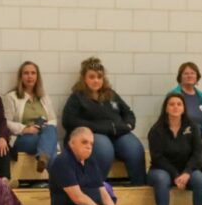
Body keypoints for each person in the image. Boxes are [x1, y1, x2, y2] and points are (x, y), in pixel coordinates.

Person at [61, 57, 146, 185]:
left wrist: (128, 125)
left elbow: (128, 113)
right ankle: (95, 187)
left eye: (99, 77)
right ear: (84, 78)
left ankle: (139, 186)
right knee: (105, 149)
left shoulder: (110, 94)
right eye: (92, 77)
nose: (96, 80)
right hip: (95, 135)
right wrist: (99, 127)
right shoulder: (77, 97)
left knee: (135, 148)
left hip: (118, 133)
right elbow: (68, 121)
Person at [147, 93, 202, 205]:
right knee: (162, 178)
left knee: (200, 179)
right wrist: (175, 175)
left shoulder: (193, 127)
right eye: (172, 104)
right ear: (166, 108)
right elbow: (157, 158)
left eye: (179, 104)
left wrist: (187, 172)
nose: (175, 107)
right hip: (161, 169)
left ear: (184, 108)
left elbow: (198, 155)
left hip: (186, 170)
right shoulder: (156, 130)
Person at [4, 61, 58, 173]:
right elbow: (5, 122)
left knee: (51, 129)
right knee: (50, 143)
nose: (30, 76)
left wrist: (43, 127)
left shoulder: (44, 97)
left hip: (42, 133)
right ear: (21, 77)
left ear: (37, 77)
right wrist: (25, 129)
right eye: (26, 73)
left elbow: (53, 120)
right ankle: (57, 182)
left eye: (33, 73)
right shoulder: (11, 97)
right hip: (22, 138)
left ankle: (43, 158)